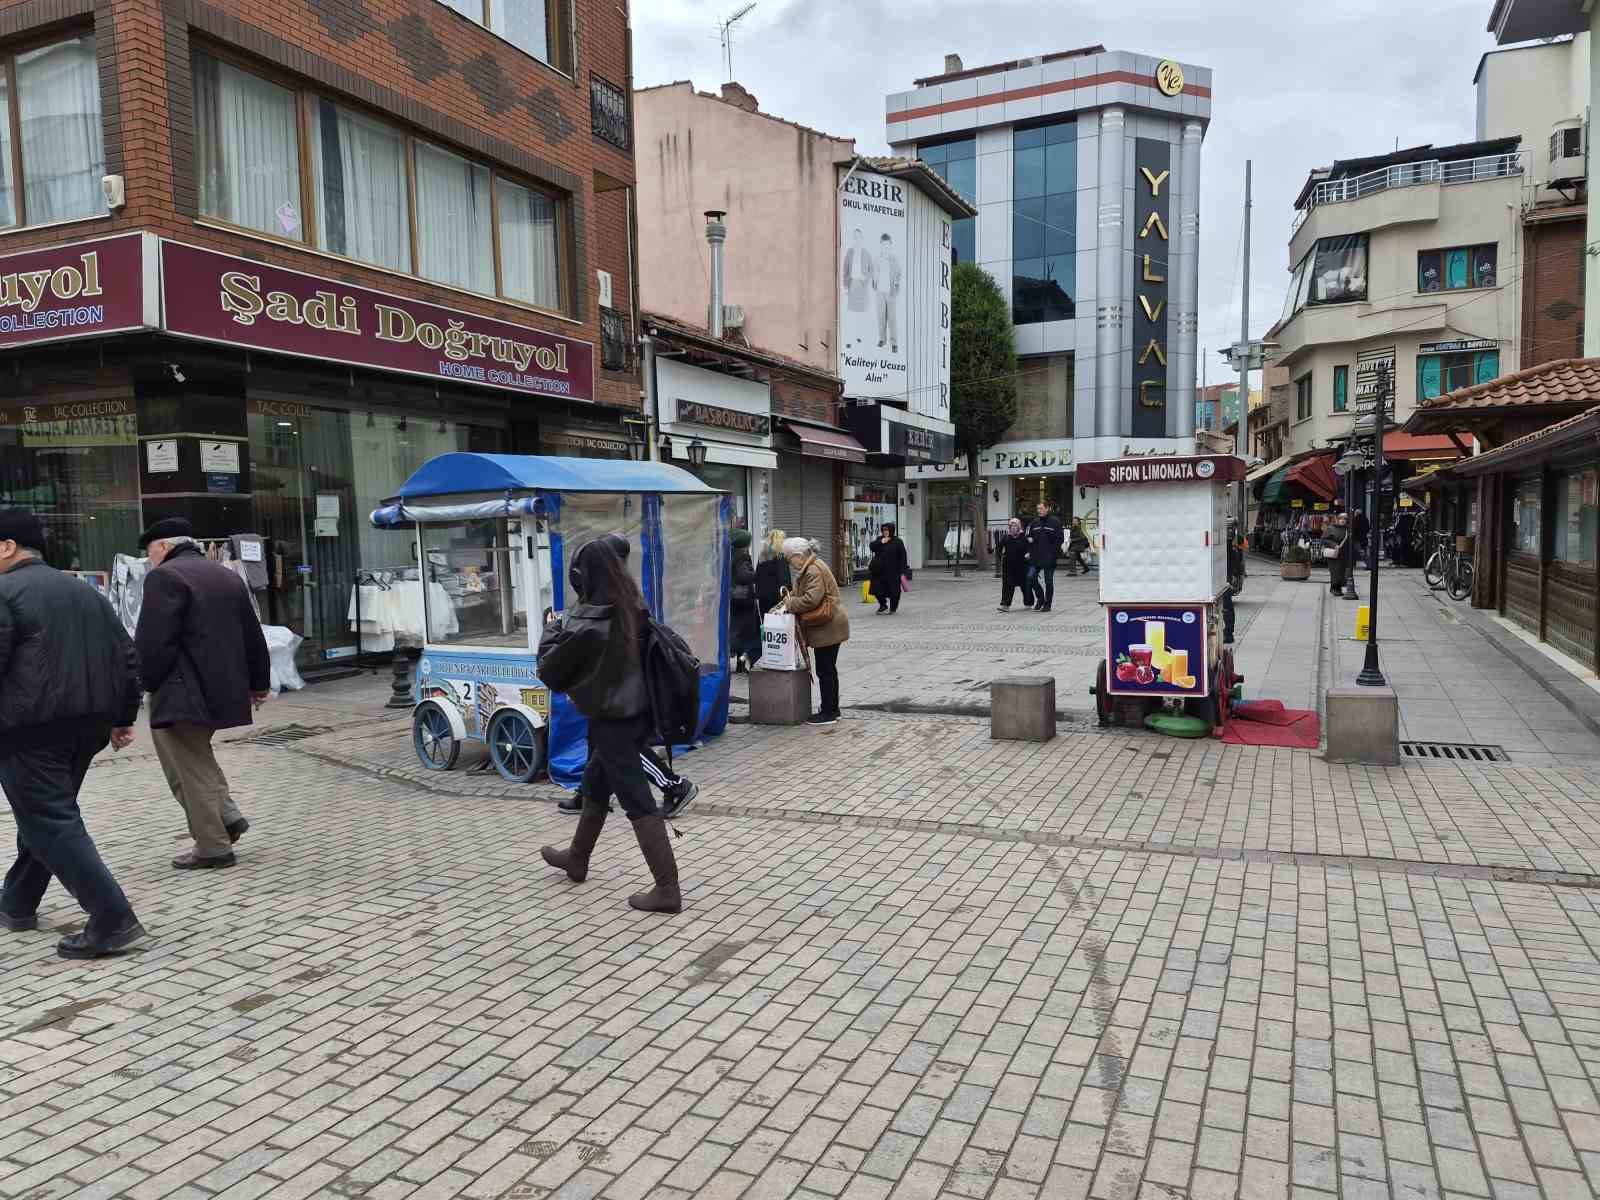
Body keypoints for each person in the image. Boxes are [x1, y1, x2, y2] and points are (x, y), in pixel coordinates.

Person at [0, 510, 148, 960]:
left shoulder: (4, 591)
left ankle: (112, 918)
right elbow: (127, 656)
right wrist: (122, 717)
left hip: (30, 729)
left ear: (7, 546)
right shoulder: (85, 592)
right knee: (47, 815)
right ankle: (17, 901)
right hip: (87, 728)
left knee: (49, 820)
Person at [538, 539, 682, 913]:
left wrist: (552, 629)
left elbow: (550, 672)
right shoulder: (633, 607)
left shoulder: (588, 622)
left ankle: (667, 888)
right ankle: (577, 858)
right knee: (596, 784)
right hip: (637, 714)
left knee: (637, 801)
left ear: (582, 576)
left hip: (611, 720)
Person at [135, 518, 271, 871]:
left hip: (181, 691)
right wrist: (259, 683)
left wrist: (145, 682)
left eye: (150, 552)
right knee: (198, 758)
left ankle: (213, 846)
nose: (150, 560)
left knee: (185, 771)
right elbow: (252, 633)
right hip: (222, 688)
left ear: (163, 546)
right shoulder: (224, 575)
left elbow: (154, 642)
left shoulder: (165, 577)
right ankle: (228, 818)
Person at [556, 533, 697, 820]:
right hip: (618, 696)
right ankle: (587, 795)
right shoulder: (622, 593)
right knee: (600, 743)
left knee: (623, 749)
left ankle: (673, 785)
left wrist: (556, 629)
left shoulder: (617, 601)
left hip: (622, 697)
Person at [782, 536, 849, 726]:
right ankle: (831, 708)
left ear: (798, 555)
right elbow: (801, 594)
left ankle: (829, 712)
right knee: (827, 669)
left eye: (789, 558)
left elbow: (811, 599)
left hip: (828, 627)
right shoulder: (811, 567)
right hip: (828, 626)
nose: (789, 563)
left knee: (825, 670)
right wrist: (787, 600)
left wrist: (790, 604)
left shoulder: (813, 570)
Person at [730, 528, 761, 669]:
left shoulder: (730, 554)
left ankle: (738, 662)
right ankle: (741, 663)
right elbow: (744, 576)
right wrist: (756, 574)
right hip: (744, 599)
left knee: (736, 629)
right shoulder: (742, 557)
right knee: (745, 632)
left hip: (734, 597)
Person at [1026, 503, 1064, 612]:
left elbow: (1059, 539)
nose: (1039, 510)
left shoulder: (1055, 522)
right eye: (1038, 508)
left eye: (1041, 508)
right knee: (1030, 577)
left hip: (1049, 557)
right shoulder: (1034, 522)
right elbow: (1029, 537)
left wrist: (1053, 554)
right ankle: (1041, 598)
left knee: (1049, 581)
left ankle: (1048, 604)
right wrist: (1029, 546)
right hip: (1035, 557)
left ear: (1047, 509)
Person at [868, 523, 909, 615]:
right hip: (879, 570)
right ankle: (883, 605)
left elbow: (903, 556)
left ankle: (893, 608)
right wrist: (881, 542)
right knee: (876, 589)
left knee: (894, 591)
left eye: (887, 530)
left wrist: (903, 570)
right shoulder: (880, 539)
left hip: (893, 571)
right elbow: (872, 547)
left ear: (891, 530)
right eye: (884, 530)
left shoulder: (898, 541)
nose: (885, 532)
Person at [997, 518, 1034, 612]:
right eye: (1011, 526)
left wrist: (1028, 553)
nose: (1013, 528)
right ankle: (1005, 605)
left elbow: (1030, 548)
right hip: (1008, 566)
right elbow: (998, 549)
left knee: (1025, 585)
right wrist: (1001, 557)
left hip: (1022, 565)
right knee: (1007, 586)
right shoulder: (1006, 537)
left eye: (1015, 526)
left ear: (1019, 527)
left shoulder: (1024, 537)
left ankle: (1028, 603)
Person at [875, 233, 902, 353]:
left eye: (887, 245)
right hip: (880, 292)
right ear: (881, 245)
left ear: (890, 245)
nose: (885, 247)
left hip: (890, 293)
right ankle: (882, 339)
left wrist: (896, 283)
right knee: (881, 317)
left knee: (892, 318)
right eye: (883, 245)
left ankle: (894, 343)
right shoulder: (877, 259)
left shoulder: (894, 259)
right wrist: (875, 283)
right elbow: (875, 272)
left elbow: (899, 272)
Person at [754, 529, 792, 615]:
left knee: (765, 621)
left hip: (763, 599)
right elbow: (784, 580)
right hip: (777, 600)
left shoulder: (762, 556)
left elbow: (757, 577)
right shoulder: (781, 558)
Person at [1322, 514, 1352, 596]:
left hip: (1343, 554)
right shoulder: (1331, 528)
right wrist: (1334, 545)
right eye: (1341, 519)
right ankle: (1334, 589)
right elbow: (1324, 539)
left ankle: (1337, 589)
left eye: (1344, 519)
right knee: (1335, 572)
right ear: (1337, 520)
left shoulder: (1347, 529)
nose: (1342, 520)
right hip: (1334, 555)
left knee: (1341, 573)